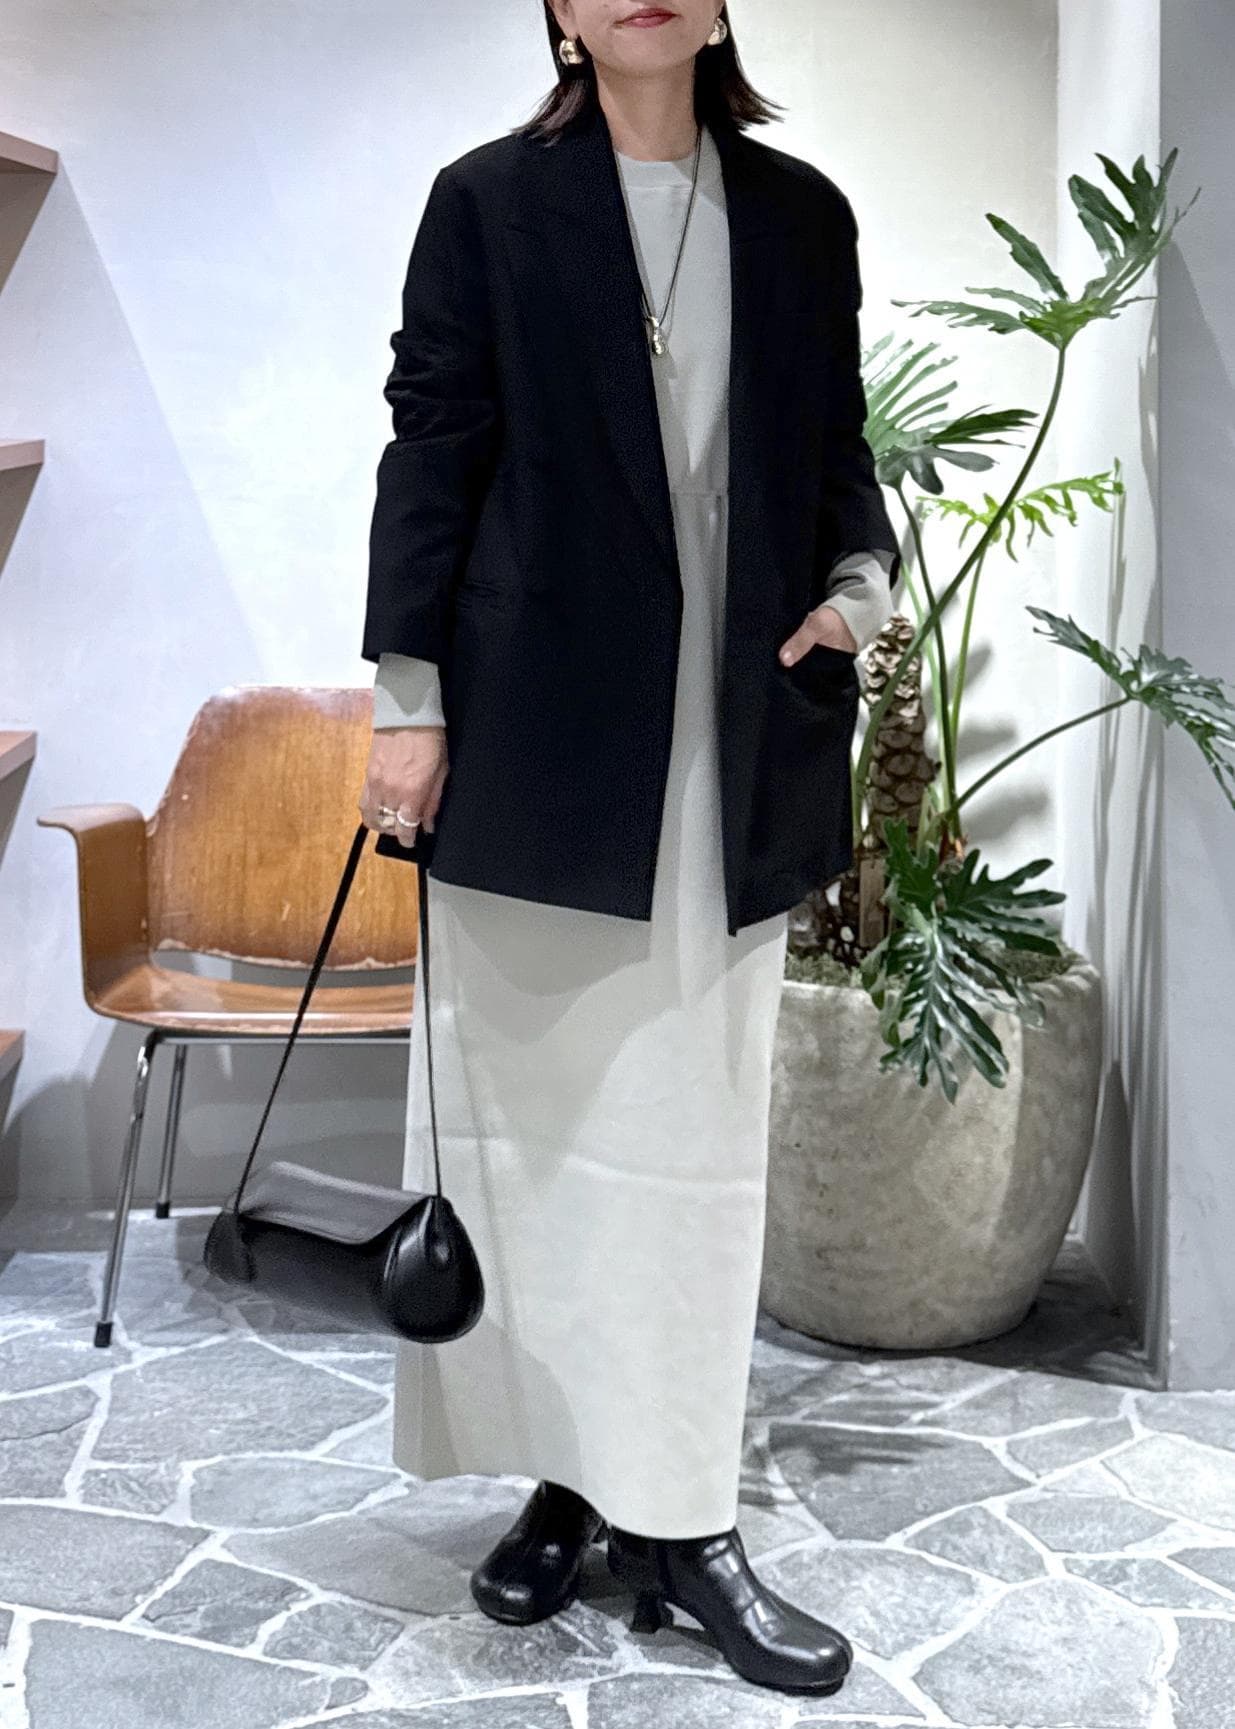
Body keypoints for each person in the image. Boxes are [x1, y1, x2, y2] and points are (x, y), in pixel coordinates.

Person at [356, 0, 900, 1700]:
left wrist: (859, 594)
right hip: (536, 741)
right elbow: (431, 447)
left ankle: (685, 1518)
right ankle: (567, 1480)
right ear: (559, 11)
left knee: (691, 1155)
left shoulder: (801, 216)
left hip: (729, 751)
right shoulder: (486, 203)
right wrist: (406, 699)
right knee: (543, 1144)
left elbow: (838, 446)